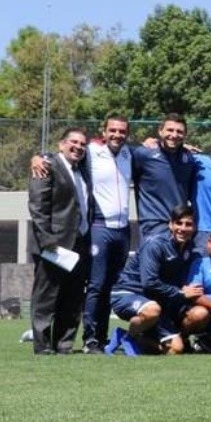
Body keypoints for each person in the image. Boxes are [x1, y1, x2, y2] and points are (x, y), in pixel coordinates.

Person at [28, 127, 92, 355]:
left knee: (73, 297)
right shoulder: (47, 165)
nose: (78, 147)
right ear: (61, 144)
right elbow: (38, 206)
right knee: (47, 296)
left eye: (83, 144)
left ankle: (64, 344)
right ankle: (43, 345)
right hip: (53, 244)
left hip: (80, 243)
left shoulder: (83, 169)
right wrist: (47, 240)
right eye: (73, 142)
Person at [109, 204, 203, 355]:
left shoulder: (190, 249)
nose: (183, 228)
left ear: (194, 227)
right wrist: (180, 293)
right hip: (127, 292)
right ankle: (132, 335)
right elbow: (149, 283)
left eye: (188, 224)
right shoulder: (155, 244)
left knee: (176, 350)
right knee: (152, 310)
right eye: (178, 223)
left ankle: (126, 336)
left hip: (155, 300)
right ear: (170, 224)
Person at [83, 115, 133, 353]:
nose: (117, 135)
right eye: (112, 130)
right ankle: (90, 339)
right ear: (103, 131)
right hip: (100, 227)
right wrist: (40, 157)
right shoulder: (91, 151)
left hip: (123, 230)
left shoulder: (128, 154)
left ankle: (102, 338)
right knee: (96, 285)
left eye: (122, 131)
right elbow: (64, 153)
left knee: (111, 286)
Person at [131, 113, 197, 240]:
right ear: (160, 131)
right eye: (170, 130)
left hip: (179, 227)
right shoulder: (143, 154)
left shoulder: (189, 159)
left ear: (185, 135)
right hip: (152, 226)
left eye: (179, 132)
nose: (174, 135)